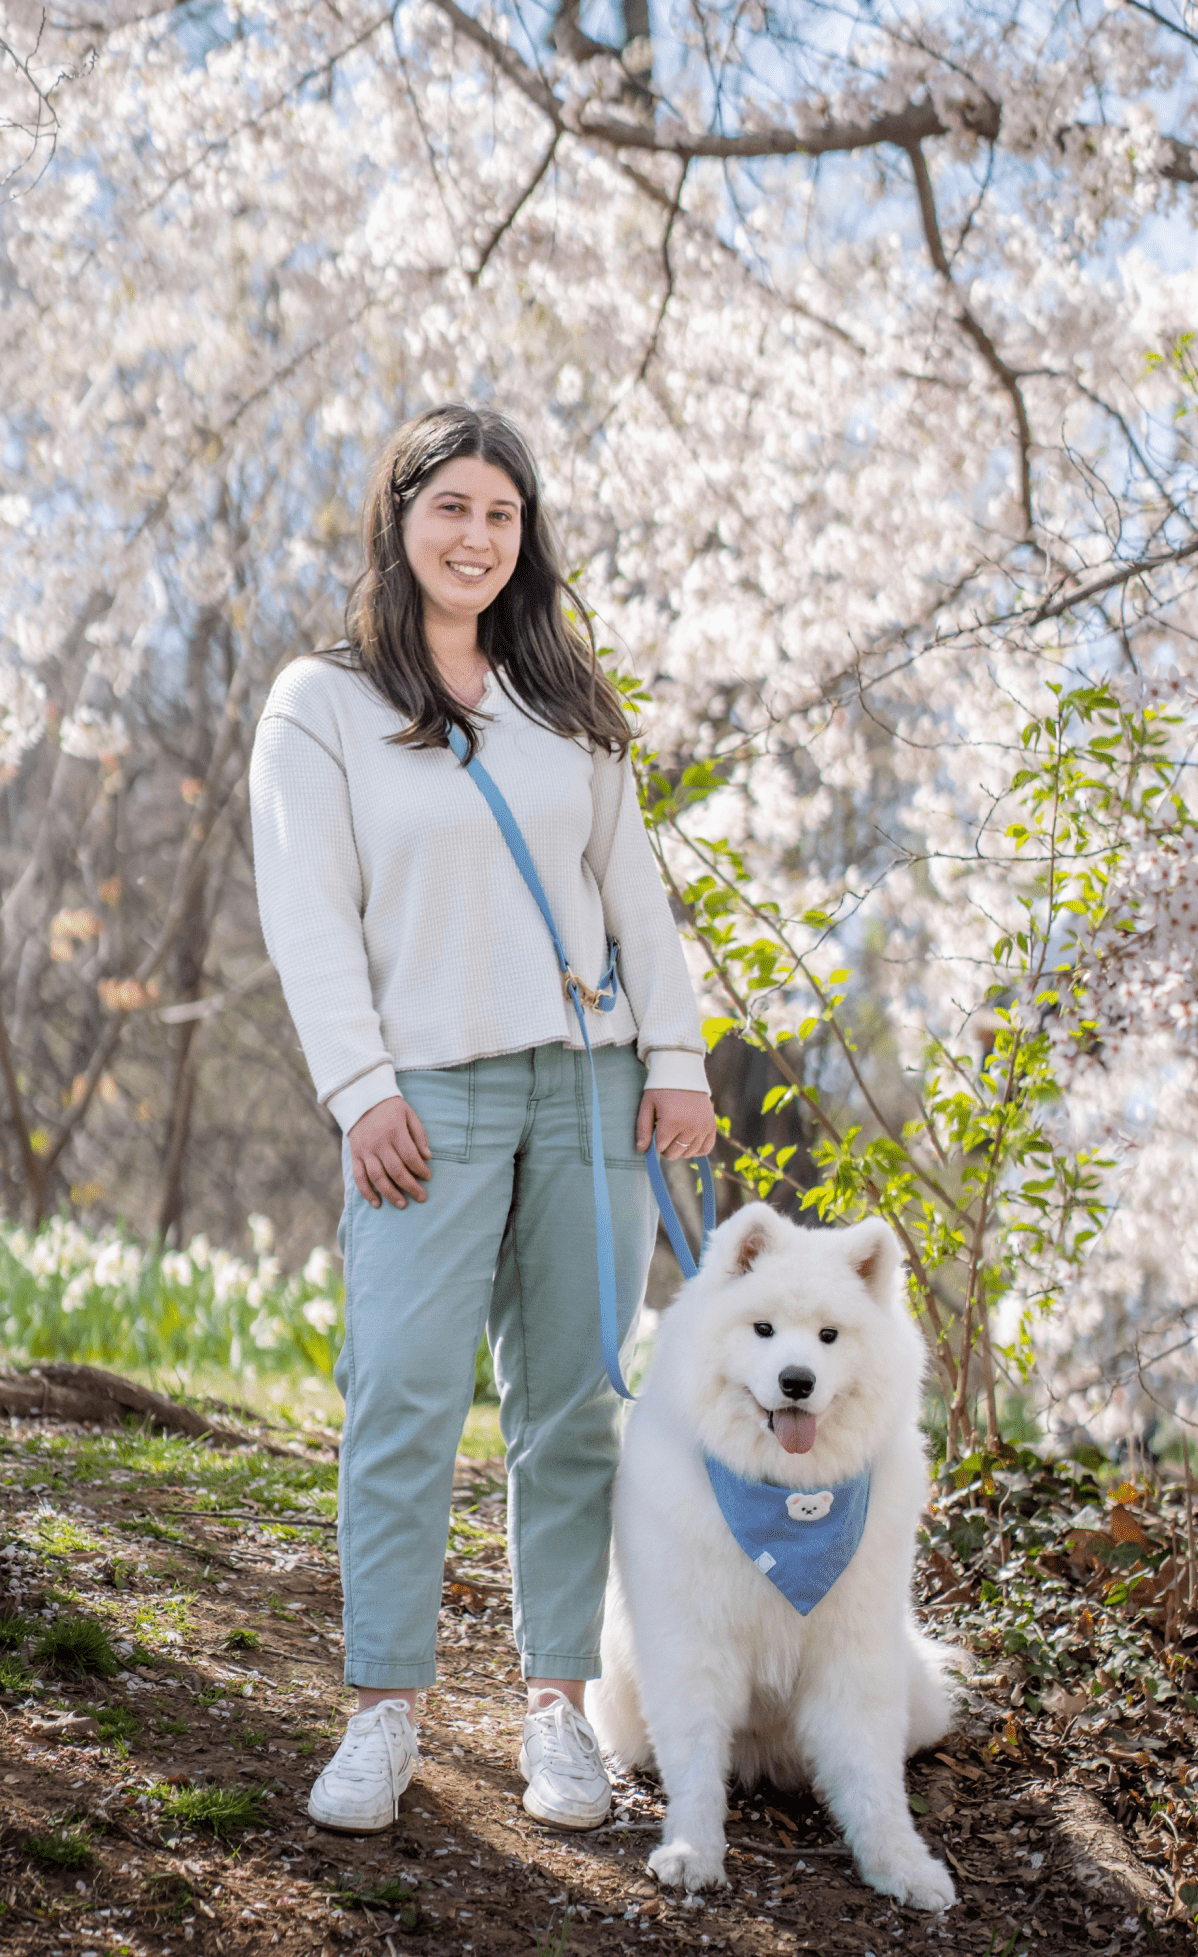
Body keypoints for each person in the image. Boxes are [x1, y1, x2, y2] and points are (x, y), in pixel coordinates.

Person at [249, 404, 716, 1835]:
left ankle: (556, 1711)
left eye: (501, 516)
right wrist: (360, 1088)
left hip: (587, 1086)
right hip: (426, 1094)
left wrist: (675, 1055)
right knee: (400, 1394)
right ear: (400, 521)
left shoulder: (564, 704)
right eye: (450, 507)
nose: (475, 536)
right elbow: (307, 915)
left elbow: (633, 894)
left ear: (526, 541)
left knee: (574, 1407)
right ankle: (381, 1711)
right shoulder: (320, 705)